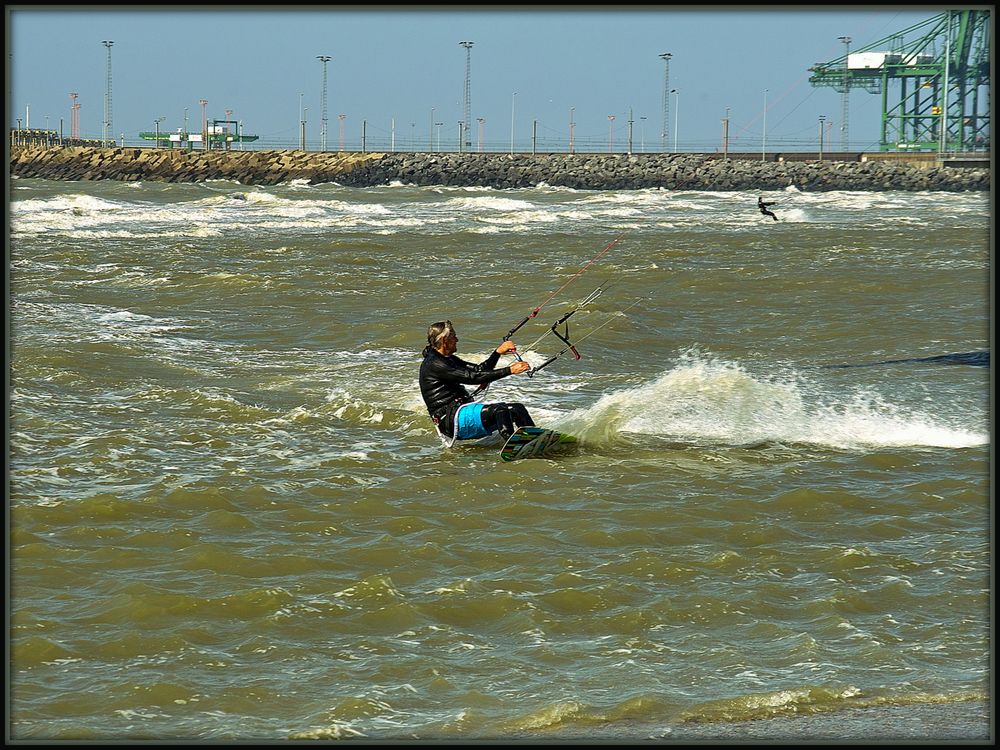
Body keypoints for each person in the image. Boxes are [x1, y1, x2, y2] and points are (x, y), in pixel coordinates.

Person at [420, 320, 535, 442]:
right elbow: (473, 377)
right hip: (451, 421)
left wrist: (497, 353)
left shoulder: (447, 358)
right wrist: (509, 370)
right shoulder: (435, 363)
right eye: (454, 336)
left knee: (517, 409)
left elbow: (479, 370)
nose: (457, 340)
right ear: (444, 340)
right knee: (500, 410)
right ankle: (514, 444)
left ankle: (534, 440)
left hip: (461, 412)